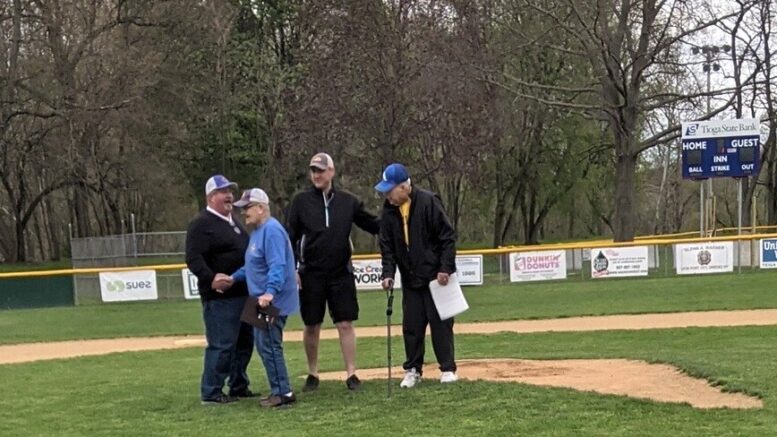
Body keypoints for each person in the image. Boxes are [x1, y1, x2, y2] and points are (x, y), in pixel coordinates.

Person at [286, 152, 380, 391]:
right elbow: (290, 237)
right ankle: (313, 373)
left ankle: (351, 373)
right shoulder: (300, 202)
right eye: (313, 171)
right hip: (311, 273)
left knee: (345, 323)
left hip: (341, 273)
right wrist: (293, 268)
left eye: (321, 170)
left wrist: (396, 214)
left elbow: (373, 224)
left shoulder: (348, 201)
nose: (316, 175)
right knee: (312, 325)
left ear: (332, 171)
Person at [375, 163, 458, 388]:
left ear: (404, 187)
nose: (387, 195)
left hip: (434, 277)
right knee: (412, 325)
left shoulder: (429, 202)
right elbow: (387, 246)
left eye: (390, 190)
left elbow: (447, 237)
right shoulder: (389, 211)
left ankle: (448, 368)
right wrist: (388, 273)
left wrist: (445, 268)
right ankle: (413, 369)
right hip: (410, 279)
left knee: (440, 323)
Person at [185, 175, 255, 405]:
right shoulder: (201, 223)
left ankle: (238, 384)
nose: (229, 196)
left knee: (245, 342)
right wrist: (211, 278)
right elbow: (193, 258)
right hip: (220, 297)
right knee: (222, 344)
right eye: (223, 192)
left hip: (245, 293)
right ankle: (211, 391)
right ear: (211, 196)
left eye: (230, 191)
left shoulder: (233, 221)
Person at [231, 188, 300, 408]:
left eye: (247, 208)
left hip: (270, 300)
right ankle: (278, 389)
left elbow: (277, 265)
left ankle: (284, 392)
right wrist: (233, 278)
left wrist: (270, 292)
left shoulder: (271, 231)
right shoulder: (258, 232)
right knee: (264, 346)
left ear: (261, 208)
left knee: (270, 344)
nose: (244, 213)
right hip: (258, 299)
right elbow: (254, 265)